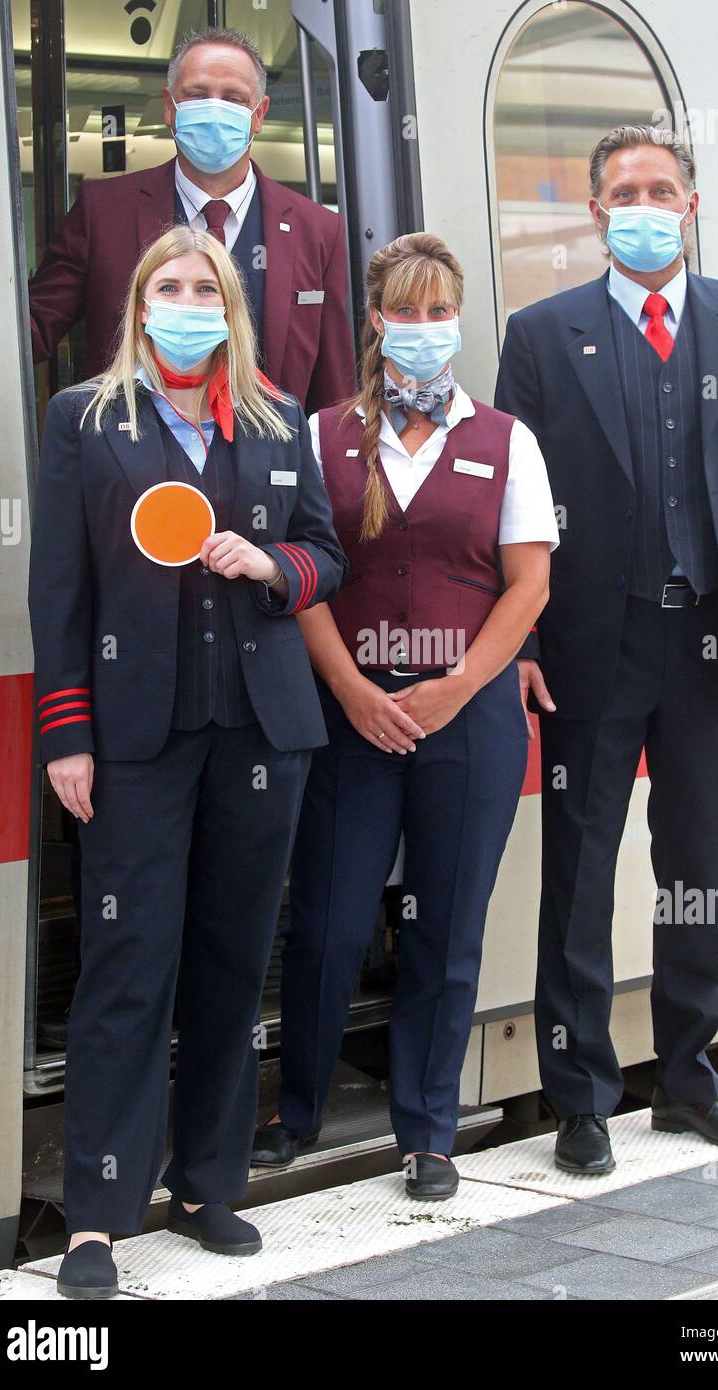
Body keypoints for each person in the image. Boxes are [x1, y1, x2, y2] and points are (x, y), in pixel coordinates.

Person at [496, 124, 718, 1175]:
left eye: (660, 188)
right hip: (593, 643)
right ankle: (580, 1097)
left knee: (694, 867)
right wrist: (519, 642)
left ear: (688, 203)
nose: (642, 204)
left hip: (711, 642)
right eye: (621, 190)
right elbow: (514, 511)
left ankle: (687, 1075)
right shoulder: (540, 336)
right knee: (580, 870)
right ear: (595, 211)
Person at [27, 225, 347, 1298]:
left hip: (260, 733)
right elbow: (60, 592)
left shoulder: (276, 419)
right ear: (136, 303)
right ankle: (97, 1217)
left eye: (202, 286)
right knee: (126, 971)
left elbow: (324, 551)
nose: (184, 300)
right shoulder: (86, 419)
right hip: (134, 742)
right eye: (166, 285)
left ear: (230, 306)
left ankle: (207, 1186)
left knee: (228, 961)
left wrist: (274, 564)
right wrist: (66, 735)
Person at [251, 232, 558, 1199]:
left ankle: (427, 1132)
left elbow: (529, 586)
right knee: (330, 926)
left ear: (456, 320)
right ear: (374, 320)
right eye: (404, 311)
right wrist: (353, 692)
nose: (421, 329)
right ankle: (295, 1113)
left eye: (438, 312)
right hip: (350, 715)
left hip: (465, 719)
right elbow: (302, 579)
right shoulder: (321, 434)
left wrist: (450, 689)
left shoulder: (507, 439)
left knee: (445, 925)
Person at [27, 25, 355, 413]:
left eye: (234, 99)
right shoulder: (103, 211)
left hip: (268, 464)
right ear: (170, 107)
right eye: (197, 95)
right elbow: (30, 331)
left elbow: (334, 387)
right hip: (136, 461)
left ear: (259, 115)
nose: (215, 110)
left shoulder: (318, 229)